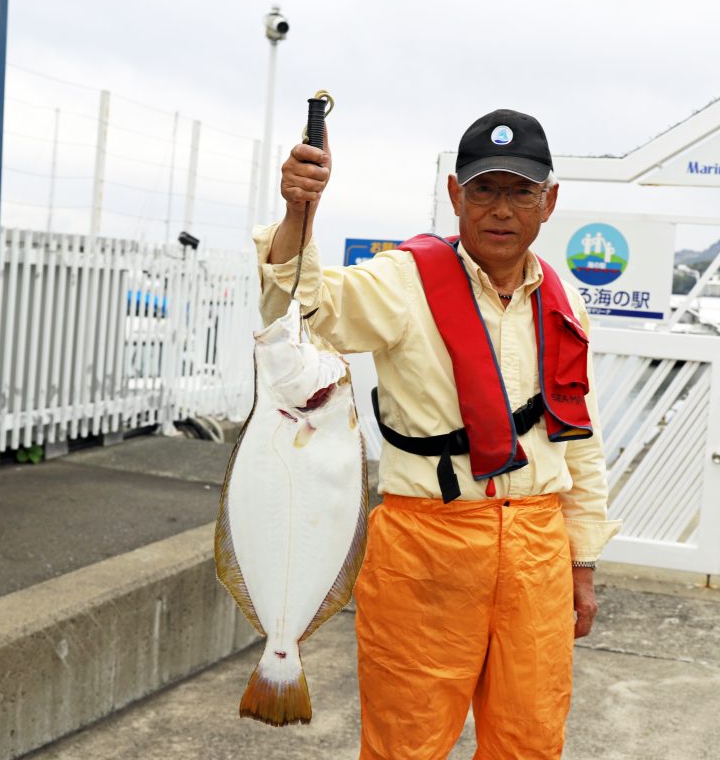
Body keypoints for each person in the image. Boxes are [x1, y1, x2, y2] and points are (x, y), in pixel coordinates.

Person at [255, 108, 620, 760]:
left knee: (531, 741)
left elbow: (577, 437)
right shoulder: (403, 280)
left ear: (550, 202)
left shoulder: (566, 302)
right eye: (484, 190)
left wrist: (582, 560)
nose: (500, 209)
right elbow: (308, 304)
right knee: (406, 743)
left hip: (538, 547)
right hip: (427, 544)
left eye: (520, 192)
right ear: (455, 195)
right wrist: (297, 213)